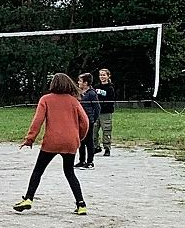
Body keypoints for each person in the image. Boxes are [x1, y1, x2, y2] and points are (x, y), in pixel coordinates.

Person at [13, 73, 89, 215]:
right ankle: (81, 204)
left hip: (51, 142)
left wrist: (30, 139)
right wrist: (78, 138)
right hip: (70, 142)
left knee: (38, 170)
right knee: (69, 173)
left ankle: (28, 198)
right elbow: (85, 122)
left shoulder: (46, 99)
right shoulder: (74, 101)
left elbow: (37, 121)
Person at [75, 73, 100, 169]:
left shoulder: (92, 93)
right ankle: (82, 160)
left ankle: (90, 161)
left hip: (88, 120)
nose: (78, 82)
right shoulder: (78, 92)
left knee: (89, 141)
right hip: (79, 120)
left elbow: (97, 108)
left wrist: (93, 119)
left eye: (80, 81)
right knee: (80, 140)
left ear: (85, 83)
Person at [94, 68, 115, 157]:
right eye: (100, 75)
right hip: (96, 112)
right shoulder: (96, 87)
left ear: (108, 76)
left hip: (105, 113)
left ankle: (107, 148)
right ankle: (96, 147)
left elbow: (111, 100)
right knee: (93, 130)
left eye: (104, 75)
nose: (102, 77)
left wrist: (105, 106)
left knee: (106, 130)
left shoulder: (110, 88)